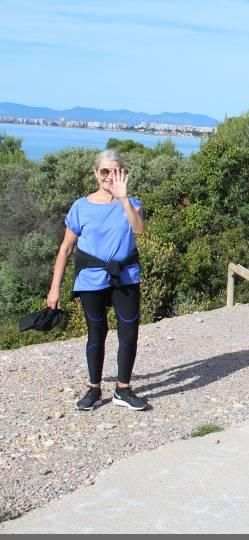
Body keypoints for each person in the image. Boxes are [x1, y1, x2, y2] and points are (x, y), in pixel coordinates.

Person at [47, 149, 147, 411]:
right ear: (95, 173)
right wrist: (54, 289)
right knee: (96, 333)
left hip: (125, 277)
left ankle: (123, 389)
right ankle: (94, 389)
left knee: (129, 332)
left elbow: (138, 229)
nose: (109, 176)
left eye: (115, 171)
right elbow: (66, 249)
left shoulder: (133, 203)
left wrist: (123, 198)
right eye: (104, 171)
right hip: (91, 279)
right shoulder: (81, 207)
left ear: (123, 173)